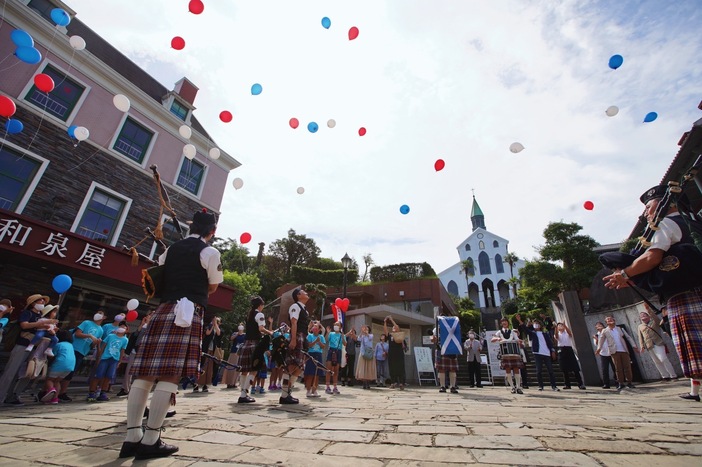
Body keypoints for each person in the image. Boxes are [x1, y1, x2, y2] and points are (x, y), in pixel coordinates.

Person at [121, 208, 222, 460]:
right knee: (170, 373)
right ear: (213, 231)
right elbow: (212, 285)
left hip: (163, 308)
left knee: (144, 373)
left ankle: (132, 436)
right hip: (187, 312)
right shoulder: (210, 252)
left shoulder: (170, 250)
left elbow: (159, 277)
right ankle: (151, 439)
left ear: (190, 227)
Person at [603, 184, 702, 401]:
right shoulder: (693, 221)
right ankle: (696, 391)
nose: (646, 212)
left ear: (666, 203)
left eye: (649, 206)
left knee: (697, 347)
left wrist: (625, 274)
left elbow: (652, 257)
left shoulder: (665, 223)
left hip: (686, 291)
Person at [0, 293, 53, 406]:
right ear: (33, 303)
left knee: (29, 373)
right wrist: (40, 323)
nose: (43, 303)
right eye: (40, 301)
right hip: (23, 345)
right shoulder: (27, 313)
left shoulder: (41, 316)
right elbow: (24, 325)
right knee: (11, 372)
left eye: (44, 301)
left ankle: (13, 395)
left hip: (36, 347)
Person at [61, 311, 105, 402]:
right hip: (73, 348)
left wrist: (96, 342)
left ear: (104, 317)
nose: (98, 314)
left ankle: (62, 392)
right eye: (98, 313)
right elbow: (77, 334)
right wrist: (89, 335)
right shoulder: (86, 323)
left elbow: (92, 345)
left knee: (71, 371)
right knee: (63, 369)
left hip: (82, 351)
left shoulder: (101, 330)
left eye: (101, 313)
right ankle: (55, 390)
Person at [237, 296, 273, 403]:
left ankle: (242, 393)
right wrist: (270, 332)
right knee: (254, 370)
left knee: (244, 371)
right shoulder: (259, 314)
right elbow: (261, 329)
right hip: (255, 345)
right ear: (260, 305)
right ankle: (244, 394)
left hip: (246, 343)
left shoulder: (249, 314)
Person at [280, 287, 310, 404]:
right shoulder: (295, 306)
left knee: (299, 368)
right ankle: (284, 395)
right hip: (297, 336)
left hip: (303, 337)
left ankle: (288, 393)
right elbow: (293, 322)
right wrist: (293, 339)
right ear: (298, 295)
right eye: (303, 292)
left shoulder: (304, 309)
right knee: (291, 366)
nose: (306, 293)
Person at [89, 322, 129, 402]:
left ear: (126, 330)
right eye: (121, 326)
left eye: (124, 327)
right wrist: (99, 357)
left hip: (114, 360)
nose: (122, 328)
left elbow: (122, 350)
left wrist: (120, 361)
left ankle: (103, 393)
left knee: (109, 376)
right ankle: (91, 393)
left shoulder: (125, 339)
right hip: (104, 358)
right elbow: (103, 347)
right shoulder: (110, 336)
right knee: (98, 375)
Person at [595, 316, 638, 390]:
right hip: (614, 351)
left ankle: (629, 382)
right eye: (608, 320)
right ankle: (620, 383)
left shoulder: (619, 329)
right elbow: (601, 340)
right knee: (618, 368)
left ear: (614, 320)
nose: (610, 320)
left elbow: (628, 337)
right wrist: (599, 349)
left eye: (611, 319)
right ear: (606, 322)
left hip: (623, 350)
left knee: (627, 367)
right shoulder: (605, 331)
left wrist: (634, 345)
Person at [638, 303, 677, 381]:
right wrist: (642, 346)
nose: (643, 316)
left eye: (644, 315)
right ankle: (665, 376)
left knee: (663, 359)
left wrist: (648, 310)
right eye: (641, 315)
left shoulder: (654, 322)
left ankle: (673, 375)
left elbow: (655, 317)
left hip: (658, 343)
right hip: (649, 345)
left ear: (648, 316)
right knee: (657, 362)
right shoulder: (640, 326)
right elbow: (640, 337)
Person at [117, 313, 151, 397]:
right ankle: (125, 388)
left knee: (141, 372)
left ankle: (138, 390)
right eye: (148, 315)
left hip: (144, 352)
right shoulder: (142, 326)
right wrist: (142, 325)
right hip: (134, 350)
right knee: (129, 370)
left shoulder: (152, 327)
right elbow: (134, 336)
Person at [41, 329, 76, 404]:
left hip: (59, 365)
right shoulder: (71, 346)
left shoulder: (58, 344)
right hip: (70, 367)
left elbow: (52, 354)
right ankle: (55, 399)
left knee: (49, 379)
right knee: (57, 381)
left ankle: (51, 389)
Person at [491, 317, 524, 394]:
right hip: (505, 353)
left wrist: (520, 341)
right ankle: (512, 387)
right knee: (508, 370)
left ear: (508, 323)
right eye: (502, 322)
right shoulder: (499, 332)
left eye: (505, 321)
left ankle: (518, 387)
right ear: (501, 323)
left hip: (514, 352)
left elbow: (517, 339)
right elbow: (492, 339)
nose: (504, 323)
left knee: (516, 370)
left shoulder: (512, 332)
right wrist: (498, 339)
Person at [525, 319, 559, 392]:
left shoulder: (545, 334)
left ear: (540, 325)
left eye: (537, 324)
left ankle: (554, 386)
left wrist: (552, 351)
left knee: (550, 370)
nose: (536, 325)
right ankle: (540, 385)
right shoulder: (533, 333)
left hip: (546, 353)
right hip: (537, 353)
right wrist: (522, 323)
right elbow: (526, 330)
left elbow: (550, 343)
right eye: (534, 324)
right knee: (538, 370)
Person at [194, 316, 223, 393]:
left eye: (217, 321)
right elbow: (207, 333)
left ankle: (205, 385)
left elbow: (219, 333)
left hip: (213, 351)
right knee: (202, 366)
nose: (215, 322)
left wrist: (215, 325)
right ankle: (196, 384)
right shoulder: (209, 327)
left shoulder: (219, 329)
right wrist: (212, 325)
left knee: (209, 368)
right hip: (206, 349)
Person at [554, 322, 586, 390]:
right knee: (564, 368)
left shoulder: (566, 333)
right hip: (561, 349)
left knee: (575, 367)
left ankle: (580, 384)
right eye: (559, 325)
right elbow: (556, 336)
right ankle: (567, 384)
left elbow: (569, 333)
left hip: (569, 349)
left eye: (561, 325)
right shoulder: (558, 333)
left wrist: (565, 326)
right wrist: (556, 328)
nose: (560, 326)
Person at [432, 322, 459, 394]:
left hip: (452, 349)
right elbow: (433, 339)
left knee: (453, 369)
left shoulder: (453, 328)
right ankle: (442, 386)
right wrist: (434, 339)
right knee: (441, 369)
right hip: (441, 349)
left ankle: (453, 386)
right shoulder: (436, 329)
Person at [384, 316, 406, 389]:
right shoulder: (390, 335)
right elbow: (385, 331)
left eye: (395, 327)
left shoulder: (399, 334)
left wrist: (391, 320)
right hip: (391, 353)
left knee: (400, 368)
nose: (394, 328)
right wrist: (385, 322)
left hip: (399, 353)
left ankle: (401, 383)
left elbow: (396, 326)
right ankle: (393, 383)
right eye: (393, 327)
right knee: (392, 368)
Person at [304, 321, 326, 397]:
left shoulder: (321, 337)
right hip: (311, 354)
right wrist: (315, 341)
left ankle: (314, 390)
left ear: (319, 329)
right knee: (310, 373)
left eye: (316, 326)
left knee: (317, 374)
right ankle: (308, 390)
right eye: (314, 326)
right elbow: (309, 345)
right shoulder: (310, 336)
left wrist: (319, 342)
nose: (315, 328)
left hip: (318, 354)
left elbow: (323, 346)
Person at [593, 321, 617, 388]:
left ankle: (618, 382)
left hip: (611, 352)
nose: (599, 326)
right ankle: (606, 383)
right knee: (604, 369)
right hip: (603, 353)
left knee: (615, 368)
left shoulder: (607, 331)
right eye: (597, 325)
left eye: (600, 324)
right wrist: (596, 339)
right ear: (596, 327)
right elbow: (597, 345)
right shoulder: (596, 335)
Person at [325, 321, 346, 395]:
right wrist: (327, 332)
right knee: (329, 369)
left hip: (338, 351)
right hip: (331, 350)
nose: (336, 326)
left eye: (338, 325)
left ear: (340, 327)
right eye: (335, 324)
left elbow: (345, 344)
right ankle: (327, 386)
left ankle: (335, 386)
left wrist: (343, 336)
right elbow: (326, 340)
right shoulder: (331, 334)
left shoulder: (341, 335)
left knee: (336, 370)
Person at [223, 322, 246, 389]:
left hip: (240, 353)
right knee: (231, 367)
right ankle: (229, 382)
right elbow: (231, 338)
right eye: (239, 327)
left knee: (237, 368)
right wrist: (237, 334)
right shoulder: (235, 333)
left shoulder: (245, 335)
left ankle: (234, 383)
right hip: (234, 352)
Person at [355, 325, 377, 390]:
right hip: (363, 353)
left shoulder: (371, 335)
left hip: (369, 353)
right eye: (365, 328)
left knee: (369, 368)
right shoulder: (362, 336)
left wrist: (366, 333)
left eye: (367, 328)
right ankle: (364, 383)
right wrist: (362, 332)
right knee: (363, 367)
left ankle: (368, 383)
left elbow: (370, 338)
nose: (366, 329)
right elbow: (358, 339)